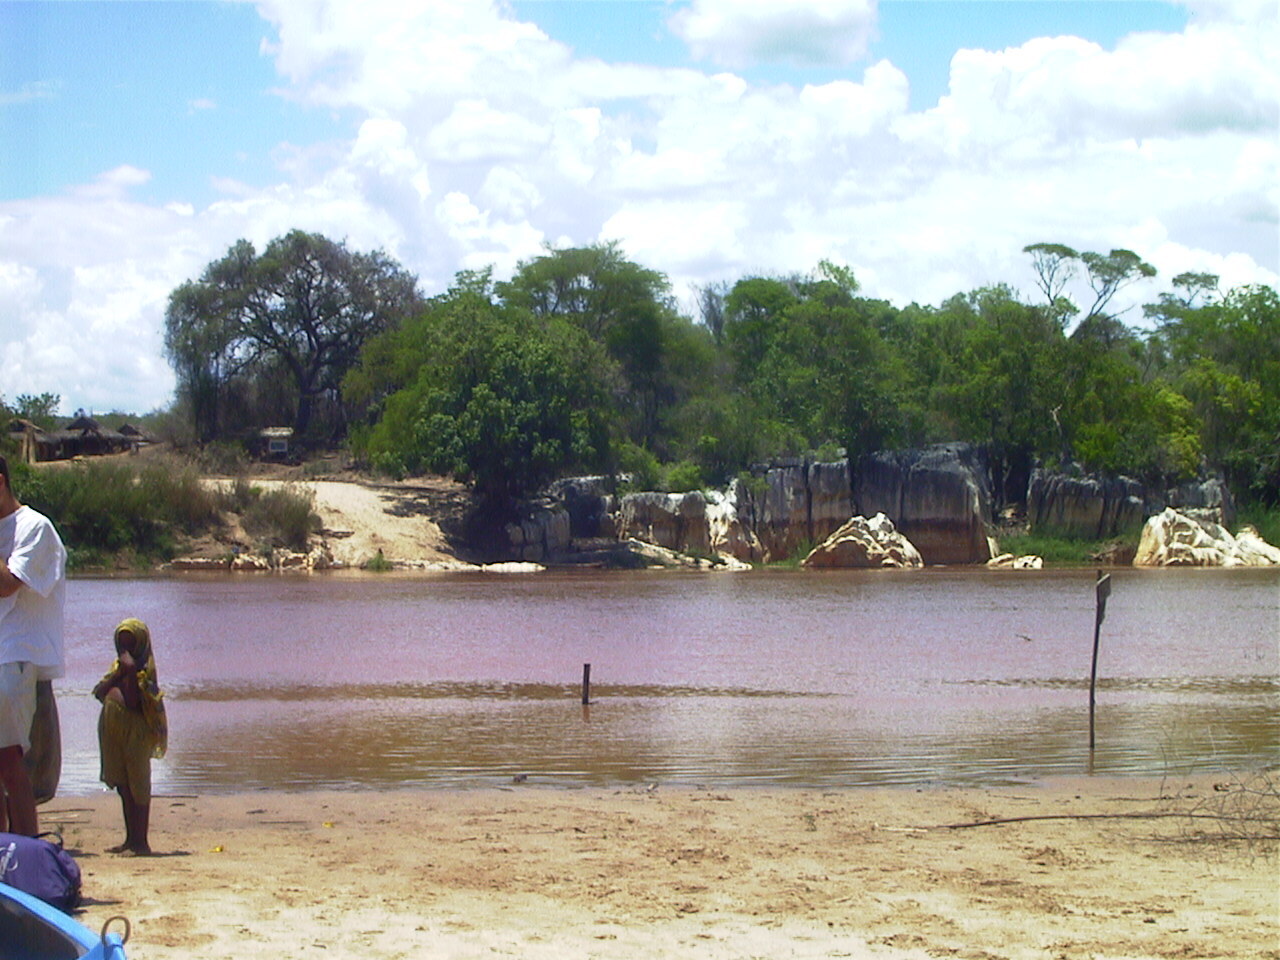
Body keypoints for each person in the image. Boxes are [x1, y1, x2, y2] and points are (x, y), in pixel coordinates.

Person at [0, 454, 67, 836]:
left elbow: (9, 583)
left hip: (17, 658)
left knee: (11, 763)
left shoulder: (34, 528)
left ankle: (23, 852)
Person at [93, 617, 167, 855]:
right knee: (123, 785)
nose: (124, 651)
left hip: (137, 732)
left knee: (138, 784)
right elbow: (98, 693)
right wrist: (119, 673)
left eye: (129, 646)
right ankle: (129, 839)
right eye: (121, 646)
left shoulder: (145, 673)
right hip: (113, 727)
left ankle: (141, 842)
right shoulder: (116, 668)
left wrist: (131, 670)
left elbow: (134, 701)